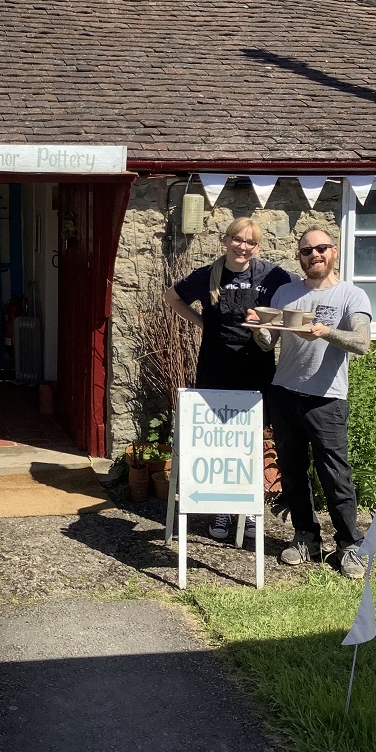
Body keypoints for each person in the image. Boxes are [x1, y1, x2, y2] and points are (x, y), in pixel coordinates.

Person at [250, 226, 371, 579]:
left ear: (333, 252)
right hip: (285, 392)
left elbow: (362, 343)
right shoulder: (286, 293)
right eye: (306, 251)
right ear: (299, 257)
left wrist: (325, 332)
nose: (314, 255)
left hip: (327, 399)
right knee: (291, 471)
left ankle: (349, 545)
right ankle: (306, 537)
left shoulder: (352, 296)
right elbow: (268, 342)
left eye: (320, 248)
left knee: (335, 475)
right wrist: (259, 328)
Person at [164, 217, 294, 541]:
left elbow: (297, 296)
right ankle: (221, 508)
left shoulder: (271, 275)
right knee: (220, 439)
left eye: (250, 242)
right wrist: (201, 323)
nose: (243, 247)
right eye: (238, 239)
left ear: (258, 247)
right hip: (216, 368)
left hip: (256, 368)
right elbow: (171, 297)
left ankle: (249, 511)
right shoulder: (209, 275)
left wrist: (271, 321)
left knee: (250, 440)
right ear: (226, 240)